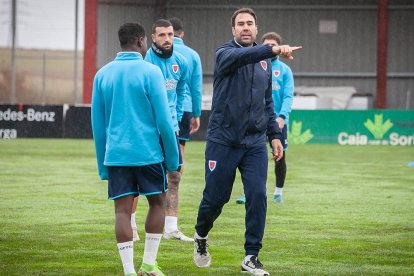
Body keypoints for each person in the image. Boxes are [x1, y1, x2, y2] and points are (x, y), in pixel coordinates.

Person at [192, 8, 301, 276]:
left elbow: (267, 103)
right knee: (216, 199)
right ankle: (201, 235)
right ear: (233, 30)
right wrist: (272, 50)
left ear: (255, 27)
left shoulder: (265, 64)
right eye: (240, 24)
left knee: (257, 196)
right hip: (223, 141)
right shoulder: (224, 54)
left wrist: (274, 135)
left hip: (253, 144)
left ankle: (251, 257)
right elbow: (247, 55)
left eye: (250, 23)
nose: (245, 27)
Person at [91, 22, 179, 276]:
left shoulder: (102, 74)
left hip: (116, 156)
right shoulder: (151, 72)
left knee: (122, 210)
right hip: (148, 154)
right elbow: (164, 121)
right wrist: (172, 159)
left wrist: (102, 165)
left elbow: (98, 126)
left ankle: (129, 271)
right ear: (142, 41)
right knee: (157, 203)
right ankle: (149, 264)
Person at [143, 19, 193, 242]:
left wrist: (178, 116)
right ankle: (133, 226)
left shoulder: (181, 61)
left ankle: (171, 228)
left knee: (174, 176)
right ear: (153, 37)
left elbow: (181, 92)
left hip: (171, 128)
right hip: (147, 131)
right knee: (140, 177)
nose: (166, 39)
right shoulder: (145, 61)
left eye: (170, 34)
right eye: (161, 35)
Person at [235, 32, 294, 205]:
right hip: (257, 121)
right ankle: (249, 193)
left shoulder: (284, 70)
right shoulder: (255, 65)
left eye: (272, 45)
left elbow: (288, 96)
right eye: (266, 45)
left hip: (277, 121)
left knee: (279, 157)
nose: (269, 48)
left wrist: (282, 116)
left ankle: (278, 192)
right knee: (252, 158)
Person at [168, 17, 203, 159]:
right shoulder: (193, 55)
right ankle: (175, 181)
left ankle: (162, 181)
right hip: (185, 108)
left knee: (160, 148)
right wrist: (196, 114)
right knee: (179, 149)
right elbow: (196, 89)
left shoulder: (155, 54)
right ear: (182, 34)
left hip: (163, 107)